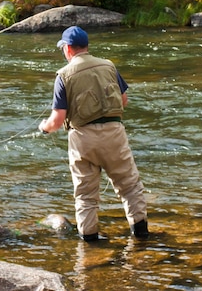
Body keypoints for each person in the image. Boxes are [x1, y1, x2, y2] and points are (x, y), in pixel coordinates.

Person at [39, 25, 149, 241]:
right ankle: (142, 236)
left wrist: (44, 127)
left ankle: (89, 246)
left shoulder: (63, 75)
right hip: (114, 134)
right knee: (129, 187)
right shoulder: (108, 66)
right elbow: (124, 101)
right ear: (87, 47)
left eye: (63, 48)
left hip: (83, 140)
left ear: (68, 49)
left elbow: (57, 119)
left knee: (86, 197)